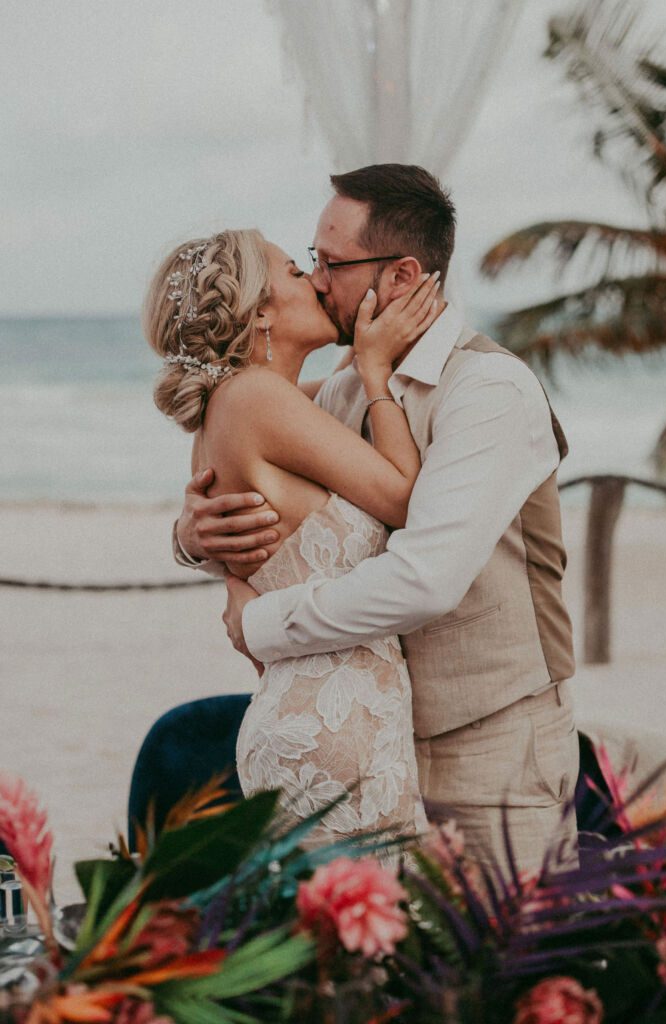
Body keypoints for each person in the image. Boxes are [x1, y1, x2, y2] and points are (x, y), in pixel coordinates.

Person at [175, 164, 580, 876]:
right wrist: (189, 534)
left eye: (329, 264)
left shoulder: (488, 390)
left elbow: (423, 579)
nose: (318, 279)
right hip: (369, 738)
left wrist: (258, 624)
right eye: (308, 263)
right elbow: (242, 459)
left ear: (399, 276)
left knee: (497, 977)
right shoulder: (336, 390)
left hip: (491, 753)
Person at [144, 227, 439, 849]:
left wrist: (368, 346)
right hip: (331, 728)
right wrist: (378, 368)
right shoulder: (252, 399)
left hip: (335, 718)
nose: (318, 280)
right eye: (297, 272)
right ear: (259, 313)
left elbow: (341, 401)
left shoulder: (250, 404)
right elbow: (405, 498)